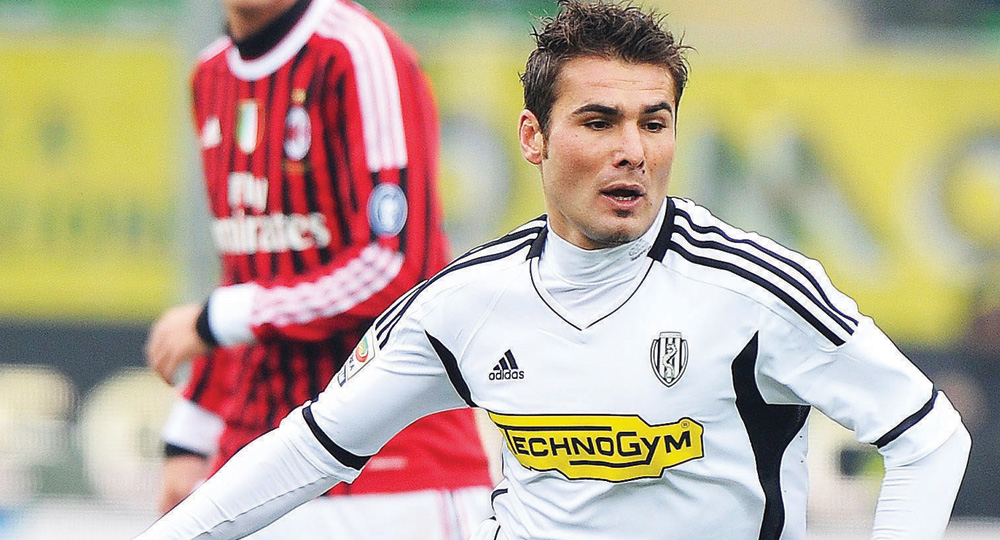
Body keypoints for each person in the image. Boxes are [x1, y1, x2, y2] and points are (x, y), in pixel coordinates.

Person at [137, 2, 971, 539]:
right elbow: (309, 450)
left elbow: (929, 436)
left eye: (654, 123)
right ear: (532, 138)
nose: (632, 151)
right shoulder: (467, 303)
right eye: (599, 121)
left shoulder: (755, 290)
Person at [143, 0, 493, 537]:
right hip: (259, 462)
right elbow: (249, 266)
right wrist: (191, 434)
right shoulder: (209, 74)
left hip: (392, 469)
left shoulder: (357, 51)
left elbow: (394, 266)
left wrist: (222, 317)